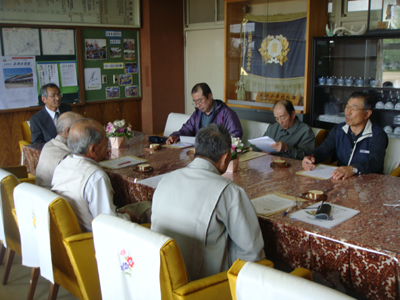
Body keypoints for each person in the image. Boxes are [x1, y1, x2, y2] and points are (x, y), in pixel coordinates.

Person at [152, 124, 265, 281]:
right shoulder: (229, 191)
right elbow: (252, 254)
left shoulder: (166, 179)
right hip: (205, 288)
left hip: (161, 280)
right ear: (225, 157)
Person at [51, 118, 151, 232]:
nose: (108, 145)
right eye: (106, 141)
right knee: (150, 209)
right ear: (93, 149)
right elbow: (109, 224)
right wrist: (128, 217)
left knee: (145, 206)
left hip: (81, 222)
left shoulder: (63, 164)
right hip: (92, 236)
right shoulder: (95, 177)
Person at [302, 92, 388, 180]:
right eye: (347, 107)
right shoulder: (339, 130)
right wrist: (311, 158)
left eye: (353, 109)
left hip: (369, 183)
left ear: (367, 114)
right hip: (342, 180)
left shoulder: (377, 135)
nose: (347, 112)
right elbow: (323, 150)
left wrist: (353, 169)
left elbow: (376, 162)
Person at [166, 83, 243, 144]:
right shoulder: (197, 113)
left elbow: (235, 136)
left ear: (210, 96)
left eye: (200, 101)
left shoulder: (226, 113)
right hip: (198, 151)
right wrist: (175, 136)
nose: (198, 105)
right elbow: (186, 130)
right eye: (195, 102)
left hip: (216, 153)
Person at [35, 112, 83, 189]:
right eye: (82, 129)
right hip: (54, 197)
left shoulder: (49, 145)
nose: (85, 133)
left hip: (42, 194)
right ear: (68, 131)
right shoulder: (68, 156)